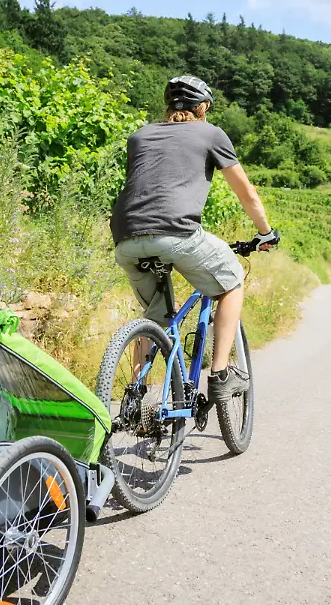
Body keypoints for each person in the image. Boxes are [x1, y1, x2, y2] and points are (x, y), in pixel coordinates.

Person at [110, 76, 279, 404]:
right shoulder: (210, 133)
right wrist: (264, 233)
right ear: (202, 107)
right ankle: (220, 376)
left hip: (126, 239)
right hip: (177, 232)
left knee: (154, 317)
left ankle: (135, 396)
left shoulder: (139, 136)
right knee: (231, 282)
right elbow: (247, 194)